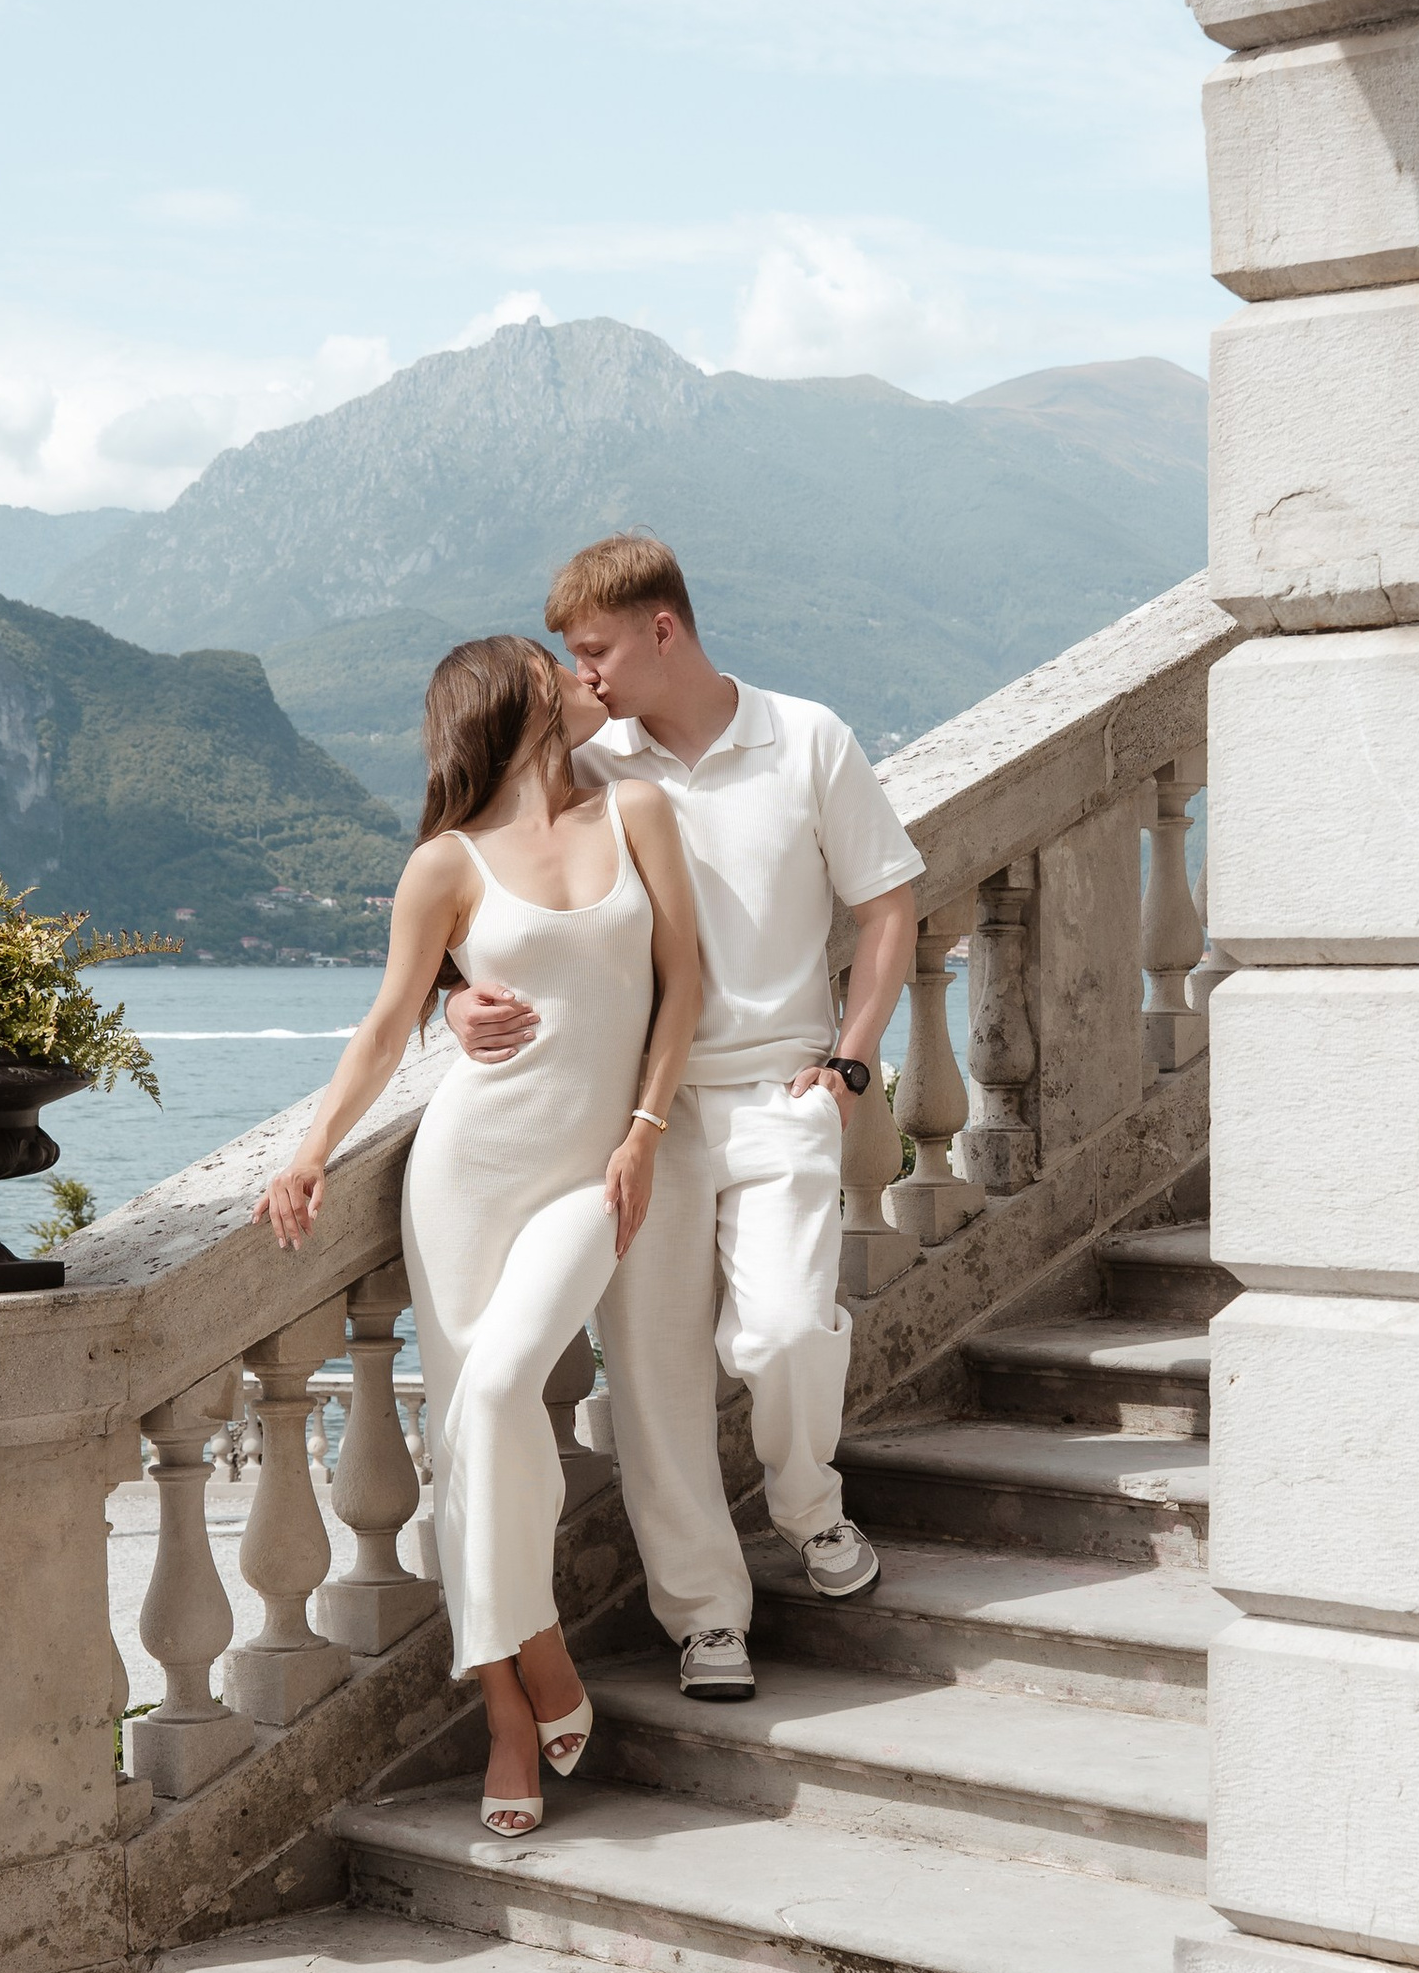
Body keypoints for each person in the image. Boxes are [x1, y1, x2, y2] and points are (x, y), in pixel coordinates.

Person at [444, 535, 922, 1703]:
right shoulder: (588, 764)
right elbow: (482, 871)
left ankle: (807, 1500)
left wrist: (852, 1065)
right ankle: (707, 1617)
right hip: (632, 1112)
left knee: (782, 1333)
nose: (584, 675)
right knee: (652, 1384)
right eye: (570, 656)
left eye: (595, 648)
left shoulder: (806, 738)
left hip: (779, 1093)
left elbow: (891, 904)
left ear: (665, 627)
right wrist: (457, 1000)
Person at [258, 635, 700, 1838]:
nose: (575, 670)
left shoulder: (640, 812)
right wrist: (306, 1154)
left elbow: (684, 985)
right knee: (466, 1436)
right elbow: (386, 1027)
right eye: (549, 661)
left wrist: (646, 1129)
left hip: (589, 1172)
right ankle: (512, 1701)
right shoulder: (442, 868)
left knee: (503, 1389)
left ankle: (533, 1647)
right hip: (464, 1172)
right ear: (515, 699)